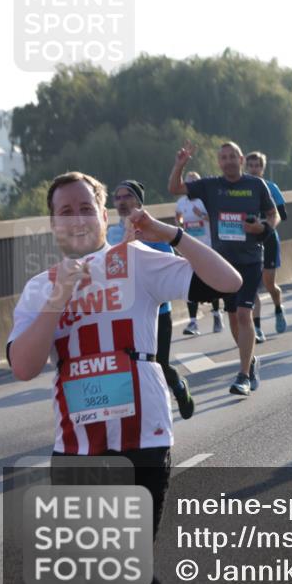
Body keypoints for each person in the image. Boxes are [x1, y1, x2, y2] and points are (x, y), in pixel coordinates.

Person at [8, 171, 241, 584]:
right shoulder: (41, 286)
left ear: (102, 215)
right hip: (76, 448)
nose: (75, 218)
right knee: (103, 576)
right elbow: (23, 366)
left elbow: (228, 282)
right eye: (64, 211)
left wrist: (172, 235)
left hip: (142, 437)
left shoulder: (134, 260)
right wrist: (59, 297)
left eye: (85, 208)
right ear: (53, 222)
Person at [168, 140, 279, 396]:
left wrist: (264, 228)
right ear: (219, 162)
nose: (228, 160)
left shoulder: (255, 184)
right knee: (233, 317)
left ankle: (242, 376)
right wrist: (180, 164)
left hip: (251, 259)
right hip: (224, 263)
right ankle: (249, 362)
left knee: (243, 314)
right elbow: (174, 188)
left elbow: (273, 214)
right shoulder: (210, 186)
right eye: (223, 157)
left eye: (232, 156)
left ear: (240, 160)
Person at [107, 179, 195, 420]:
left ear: (138, 201)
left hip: (157, 311)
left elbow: (169, 265)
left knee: (158, 365)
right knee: (125, 367)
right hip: (122, 311)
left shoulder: (153, 230)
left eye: (128, 196)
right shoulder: (109, 233)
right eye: (118, 197)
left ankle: (178, 387)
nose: (122, 201)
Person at [245, 151, 289, 340]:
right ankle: (257, 327)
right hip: (248, 241)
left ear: (262, 168)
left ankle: (278, 308)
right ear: (246, 167)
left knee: (269, 283)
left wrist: (265, 225)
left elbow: (282, 215)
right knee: (252, 285)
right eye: (251, 166)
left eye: (258, 166)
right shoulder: (241, 189)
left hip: (269, 238)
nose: (254, 169)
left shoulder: (271, 187)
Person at [175, 170, 224, 335]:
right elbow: (178, 217)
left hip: (208, 246)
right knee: (189, 283)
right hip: (189, 248)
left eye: (194, 181)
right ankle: (193, 322)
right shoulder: (181, 202)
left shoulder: (205, 201)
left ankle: (217, 315)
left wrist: (201, 215)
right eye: (189, 182)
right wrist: (181, 223)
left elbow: (216, 219)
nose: (191, 185)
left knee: (212, 281)